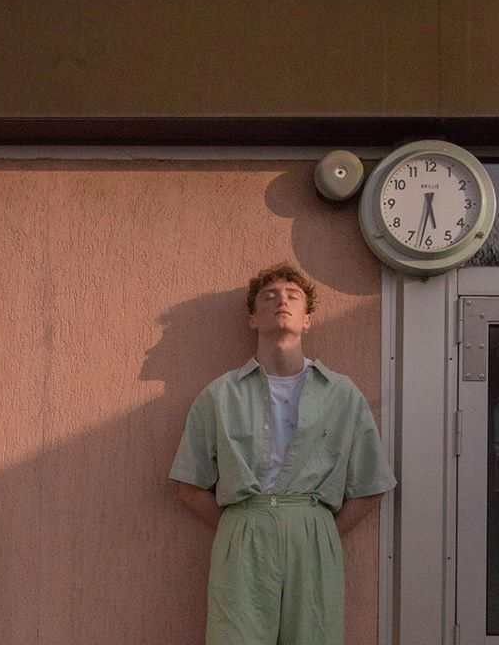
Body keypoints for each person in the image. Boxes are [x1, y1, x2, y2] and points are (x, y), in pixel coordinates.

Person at [169, 263, 396, 645]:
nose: (281, 302)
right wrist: (241, 526)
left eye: (293, 297)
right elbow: (188, 486)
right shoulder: (221, 394)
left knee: (314, 635)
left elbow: (371, 486)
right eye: (269, 297)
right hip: (244, 528)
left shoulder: (341, 394)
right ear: (253, 319)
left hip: (313, 529)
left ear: (307, 319)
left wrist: (317, 529)